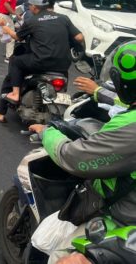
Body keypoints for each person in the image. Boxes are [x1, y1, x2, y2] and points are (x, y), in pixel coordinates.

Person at [29, 40, 136, 263]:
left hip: (125, 220)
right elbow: (118, 101)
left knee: (63, 257)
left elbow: (75, 157)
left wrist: (48, 133)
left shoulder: (129, 127)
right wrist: (98, 91)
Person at [0, 0, 83, 123]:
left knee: (15, 61)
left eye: (30, 6)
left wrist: (5, 28)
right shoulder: (63, 18)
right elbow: (79, 37)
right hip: (63, 64)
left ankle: (9, 102)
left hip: (40, 62)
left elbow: (17, 37)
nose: (29, 8)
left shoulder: (33, 21)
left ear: (35, 7)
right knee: (62, 77)